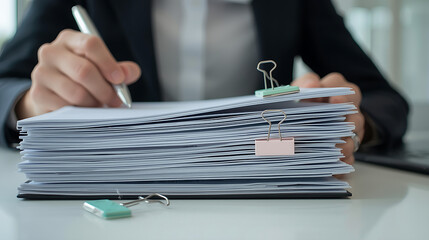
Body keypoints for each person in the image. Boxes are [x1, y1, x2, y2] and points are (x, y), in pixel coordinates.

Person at [0, 0, 409, 165]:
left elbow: (382, 98)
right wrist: (30, 106)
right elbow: (6, 82)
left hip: (268, 189)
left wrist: (353, 124)